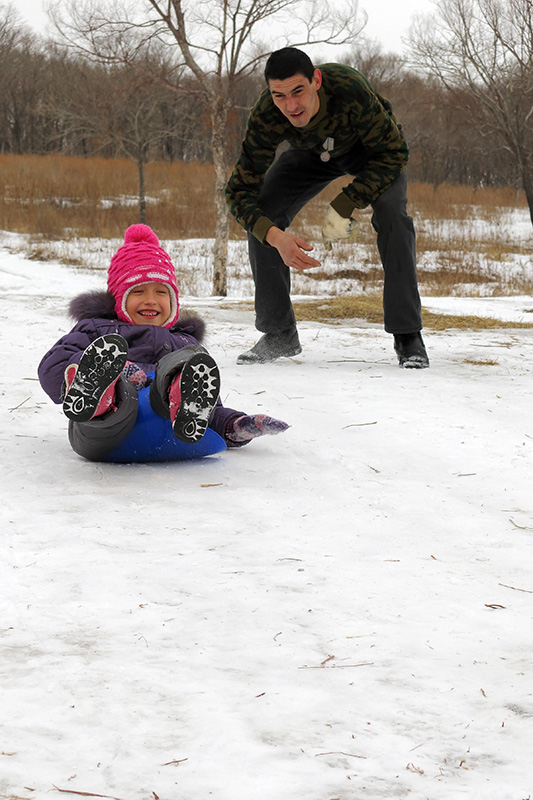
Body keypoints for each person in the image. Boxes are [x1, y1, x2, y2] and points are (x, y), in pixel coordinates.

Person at [225, 46, 429, 369]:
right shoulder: (266, 114)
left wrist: (346, 203)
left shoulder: (349, 89)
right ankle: (279, 333)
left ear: (315, 80)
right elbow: (238, 192)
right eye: (279, 96)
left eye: (298, 91)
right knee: (262, 213)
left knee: (393, 215)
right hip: (312, 155)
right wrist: (276, 237)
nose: (290, 106)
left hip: (371, 152)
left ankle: (408, 336)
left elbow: (395, 153)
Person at [38, 224, 288, 462]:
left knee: (182, 362)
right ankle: (104, 387)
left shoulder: (183, 341)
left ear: (173, 300)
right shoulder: (97, 328)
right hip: (103, 433)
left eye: (160, 292)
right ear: (118, 298)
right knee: (118, 389)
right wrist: (102, 368)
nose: (150, 300)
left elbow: (209, 408)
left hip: (170, 428)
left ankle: (176, 390)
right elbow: (51, 369)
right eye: (137, 292)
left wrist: (235, 425)